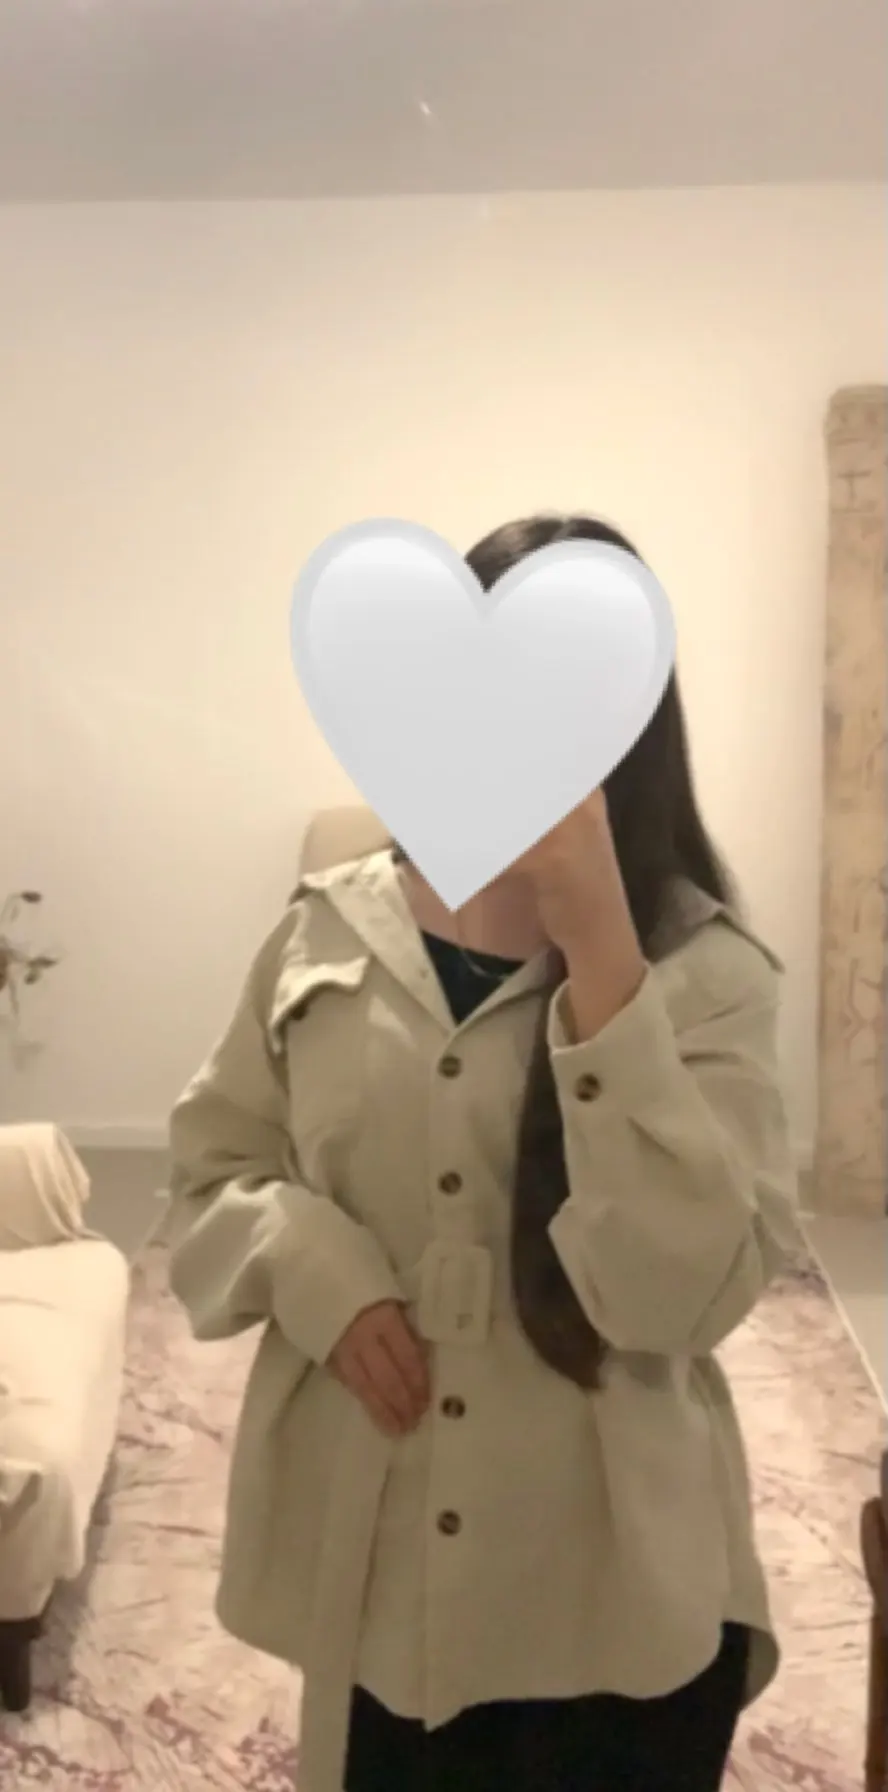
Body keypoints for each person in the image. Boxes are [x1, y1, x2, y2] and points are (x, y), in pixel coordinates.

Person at [167, 513, 801, 1792]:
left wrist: (604, 959)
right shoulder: (323, 931)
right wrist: (314, 1265)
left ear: (630, 723)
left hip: (618, 1612)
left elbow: (686, 1298)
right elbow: (208, 1175)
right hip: (376, 1584)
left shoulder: (709, 976)